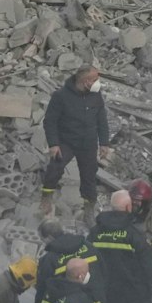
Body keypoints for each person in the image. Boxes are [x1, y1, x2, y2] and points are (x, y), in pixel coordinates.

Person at [42, 66, 112, 222]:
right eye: (94, 79)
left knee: (89, 177)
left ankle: (89, 210)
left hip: (88, 143)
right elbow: (50, 122)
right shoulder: (60, 96)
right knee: (55, 168)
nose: (98, 82)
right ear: (85, 81)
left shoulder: (96, 95)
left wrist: (104, 143)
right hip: (66, 141)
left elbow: (102, 120)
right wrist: (54, 144)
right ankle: (46, 197)